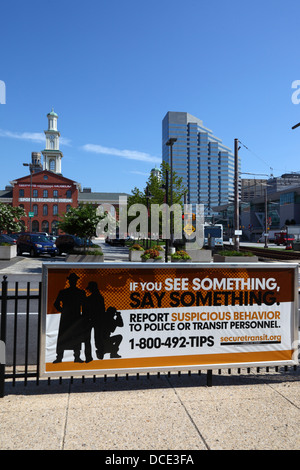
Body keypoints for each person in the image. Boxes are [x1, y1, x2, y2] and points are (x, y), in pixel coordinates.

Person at [53, 272, 86, 363]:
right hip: (75, 316)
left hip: (66, 317)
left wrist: (62, 310)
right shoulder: (80, 292)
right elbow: (85, 305)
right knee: (75, 337)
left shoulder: (64, 292)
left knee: (64, 336)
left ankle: (60, 357)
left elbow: (56, 304)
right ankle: (76, 357)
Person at [83, 281, 106, 362]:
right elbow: (103, 310)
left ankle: (89, 357)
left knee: (88, 339)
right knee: (98, 337)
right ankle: (100, 353)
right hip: (98, 320)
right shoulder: (100, 298)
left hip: (90, 320)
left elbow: (85, 311)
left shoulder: (88, 299)